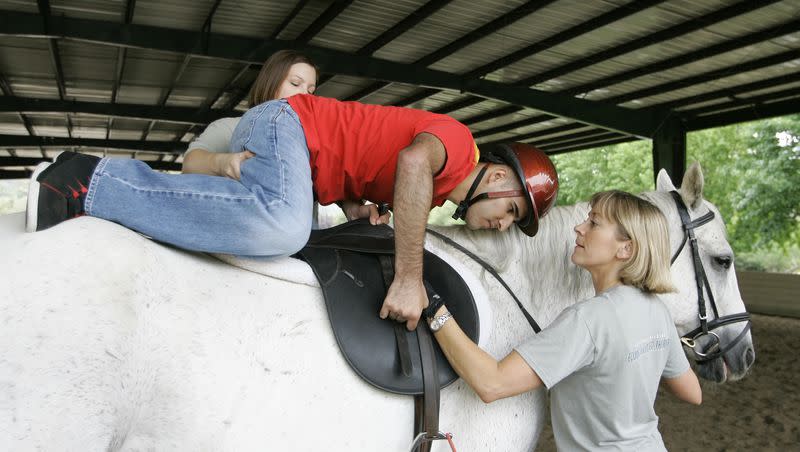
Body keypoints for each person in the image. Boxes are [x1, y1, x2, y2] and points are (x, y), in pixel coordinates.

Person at [25, 86, 558, 330]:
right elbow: (411, 164)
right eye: (513, 210)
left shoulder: (437, 191)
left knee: (291, 245)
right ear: (498, 173)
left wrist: (356, 209)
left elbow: (363, 160)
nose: (503, 224)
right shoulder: (458, 147)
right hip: (288, 126)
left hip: (304, 155)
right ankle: (92, 181)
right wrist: (409, 277)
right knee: (281, 228)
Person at [426, 190, 702, 451]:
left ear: (625, 250)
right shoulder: (657, 310)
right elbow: (692, 392)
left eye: (594, 223)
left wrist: (434, 307)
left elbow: (491, 383)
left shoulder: (587, 320)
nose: (579, 228)